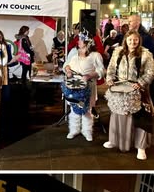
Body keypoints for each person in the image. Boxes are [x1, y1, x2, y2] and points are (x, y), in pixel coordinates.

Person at [103, 30, 154, 159]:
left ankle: (140, 147)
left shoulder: (145, 54)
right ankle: (114, 140)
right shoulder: (118, 52)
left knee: (141, 119)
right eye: (130, 39)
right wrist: (109, 79)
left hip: (138, 90)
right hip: (119, 89)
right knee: (117, 115)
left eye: (135, 40)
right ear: (126, 40)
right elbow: (111, 68)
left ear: (139, 40)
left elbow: (150, 73)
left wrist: (140, 83)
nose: (133, 42)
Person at [63, 32, 105, 142]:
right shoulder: (73, 52)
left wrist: (90, 75)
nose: (78, 43)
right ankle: (74, 129)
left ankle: (87, 131)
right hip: (74, 85)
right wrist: (67, 70)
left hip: (88, 86)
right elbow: (66, 64)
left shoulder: (95, 55)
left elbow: (101, 70)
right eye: (79, 43)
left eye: (81, 43)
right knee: (74, 108)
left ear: (87, 44)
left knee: (86, 109)